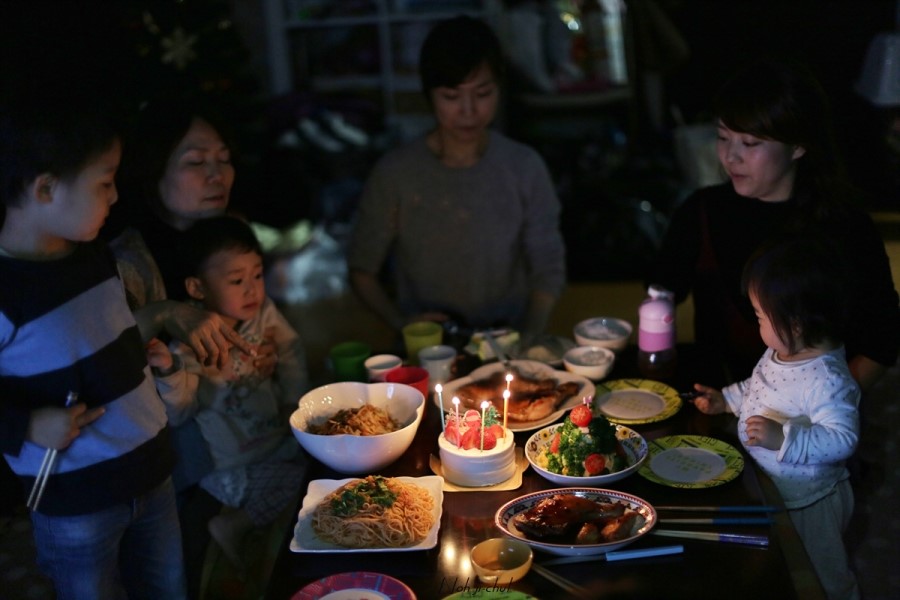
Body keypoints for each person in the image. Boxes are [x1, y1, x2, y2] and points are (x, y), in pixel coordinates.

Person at [0, 93, 186, 598]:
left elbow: (100, 339)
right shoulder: (7, 292)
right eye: (104, 183)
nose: (115, 196)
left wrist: (144, 356)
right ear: (45, 188)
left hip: (152, 474)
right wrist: (26, 425)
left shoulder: (93, 255)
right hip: (76, 504)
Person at [647, 57, 900, 391]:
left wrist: (827, 403)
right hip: (719, 396)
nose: (731, 156)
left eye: (750, 143)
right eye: (723, 137)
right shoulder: (701, 211)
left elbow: (882, 338)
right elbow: (660, 292)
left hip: (818, 409)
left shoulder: (845, 225)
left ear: (797, 145)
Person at [346, 15, 566, 349]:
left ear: (499, 89)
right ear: (429, 95)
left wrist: (530, 335)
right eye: (451, 96)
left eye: (483, 93)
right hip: (430, 347)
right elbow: (362, 268)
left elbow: (548, 266)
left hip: (508, 340)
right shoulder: (396, 173)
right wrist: (401, 323)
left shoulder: (524, 167)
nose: (468, 110)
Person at [690, 237, 860, 600]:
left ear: (794, 324)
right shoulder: (780, 351)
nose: (757, 323)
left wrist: (784, 438)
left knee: (821, 572)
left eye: (759, 316)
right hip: (771, 486)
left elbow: (842, 438)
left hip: (809, 502)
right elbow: (760, 386)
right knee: (780, 565)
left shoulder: (827, 379)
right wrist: (727, 399)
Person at [148, 215, 309, 570]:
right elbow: (179, 412)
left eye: (257, 275)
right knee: (300, 485)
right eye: (237, 280)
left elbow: (291, 350)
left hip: (276, 442)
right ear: (197, 288)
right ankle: (234, 525)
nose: (252, 289)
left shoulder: (263, 315)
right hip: (231, 466)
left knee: (319, 471)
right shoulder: (189, 345)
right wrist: (169, 371)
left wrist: (293, 400)